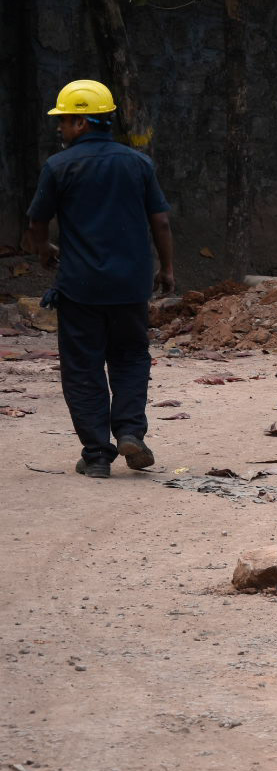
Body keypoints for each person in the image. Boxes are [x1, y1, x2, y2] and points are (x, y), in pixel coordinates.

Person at [23, 79, 175, 479]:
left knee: (82, 367)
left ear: (82, 123)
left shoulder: (59, 166)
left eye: (64, 120)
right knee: (131, 357)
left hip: (80, 287)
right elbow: (160, 221)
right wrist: (167, 268)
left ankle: (96, 456)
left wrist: (44, 250)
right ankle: (130, 432)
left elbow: (37, 222)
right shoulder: (138, 163)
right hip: (131, 286)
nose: (60, 127)